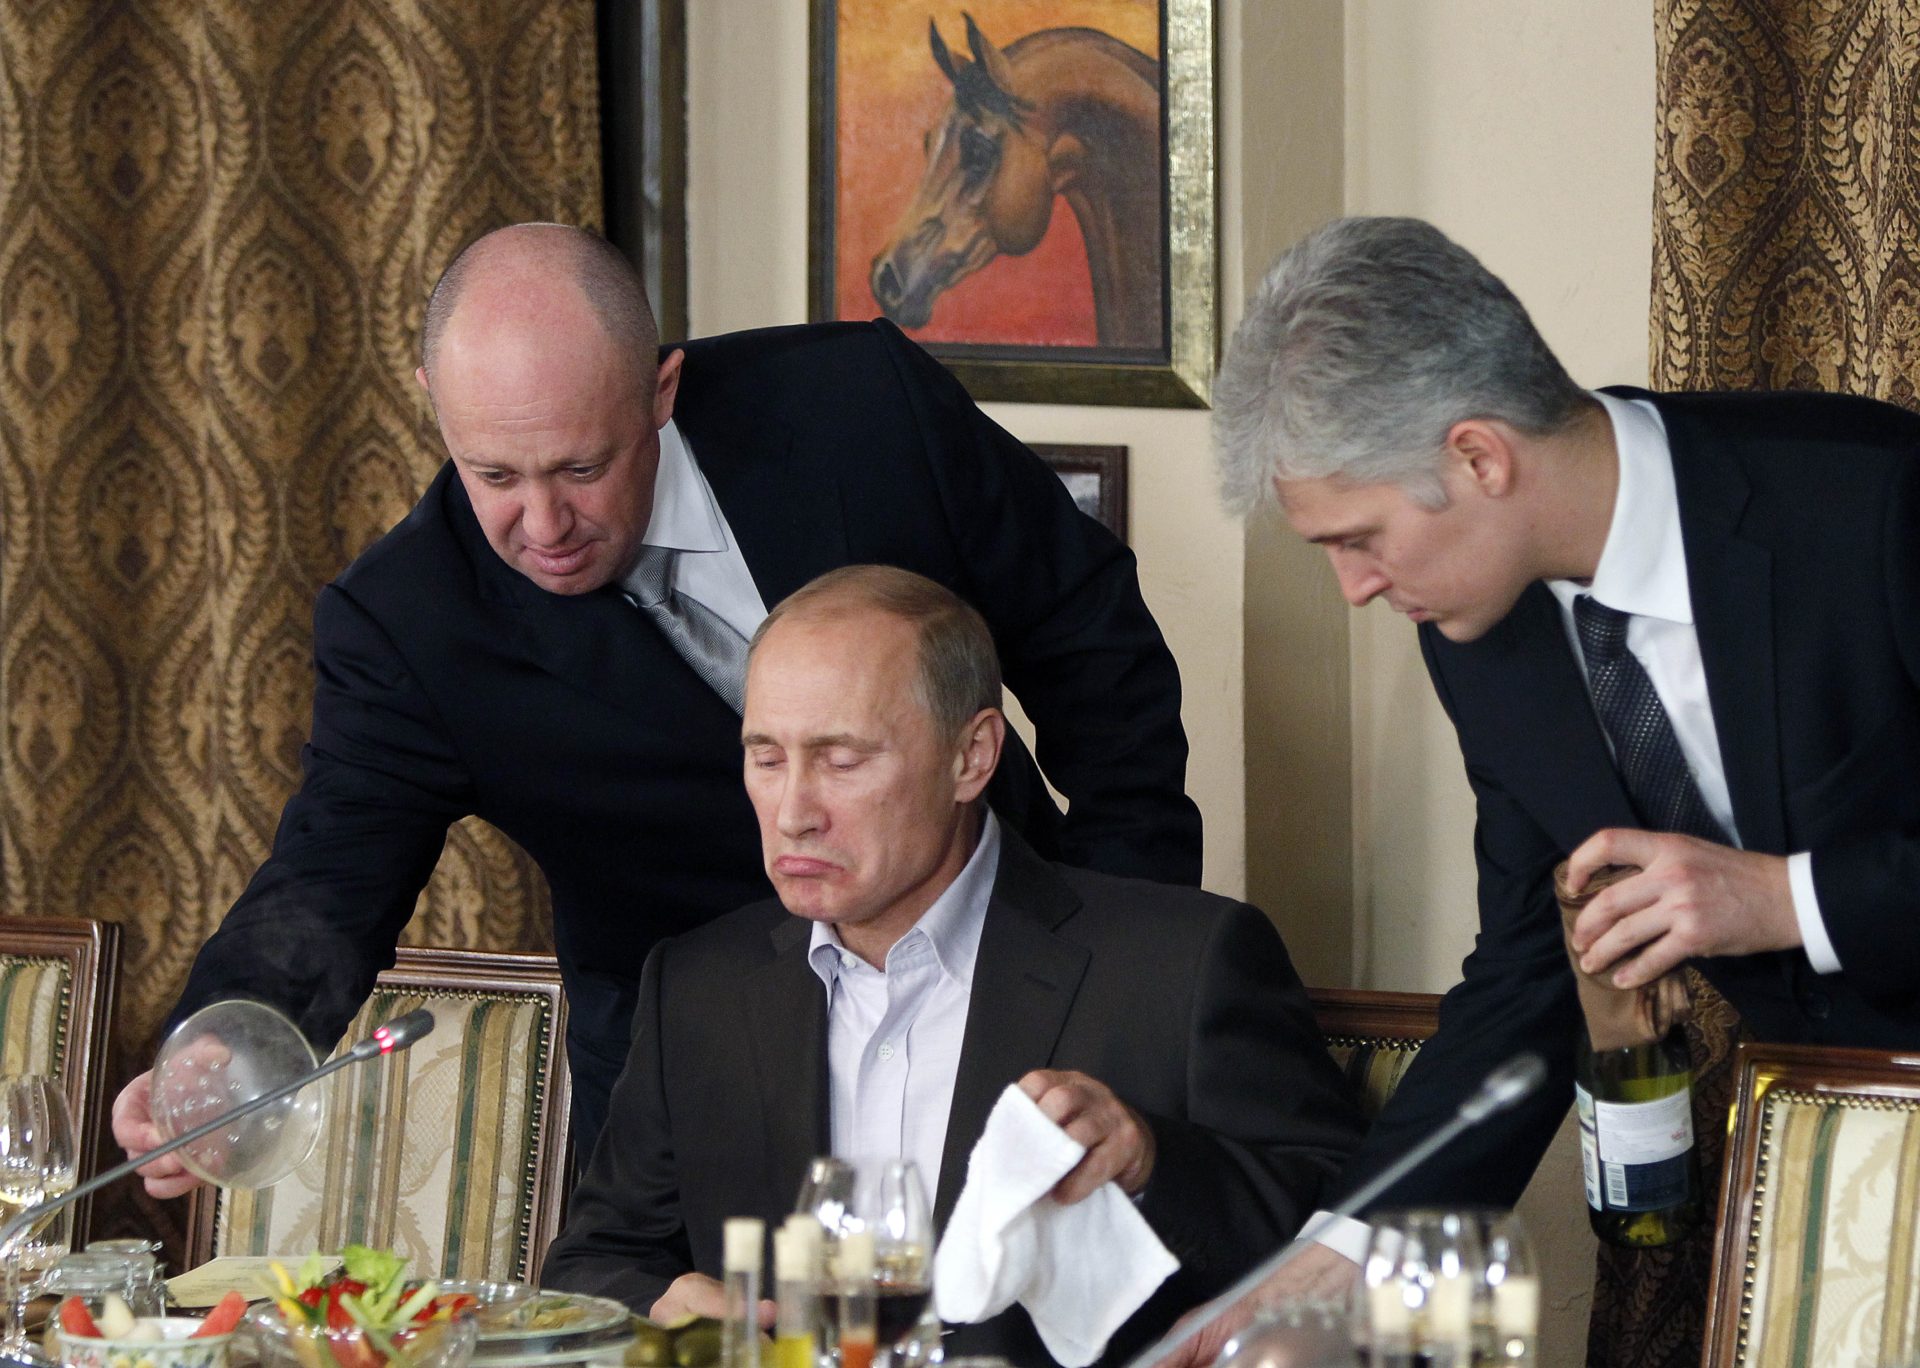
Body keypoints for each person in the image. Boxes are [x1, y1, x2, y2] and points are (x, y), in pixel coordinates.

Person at [110, 224, 1204, 1195]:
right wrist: (221, 1051)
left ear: (662, 389)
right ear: (431, 402)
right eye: (492, 474)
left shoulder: (859, 408)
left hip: (1007, 1001)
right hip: (696, 1099)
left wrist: (1120, 951)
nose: (543, 525)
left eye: (583, 466)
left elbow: (1094, 644)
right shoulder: (409, 623)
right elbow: (323, 887)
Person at [1188, 214, 1920, 1344]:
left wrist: (1782, 901)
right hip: (1821, 1202)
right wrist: (1340, 1249)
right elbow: (1532, 967)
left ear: (1478, 456)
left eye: (1358, 538)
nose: (1354, 589)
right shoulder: (1476, 635)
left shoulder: (1875, 501)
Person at [539, 566, 1363, 1368]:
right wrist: (665, 1301)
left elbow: (1345, 1222)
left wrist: (1151, 1159)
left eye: (841, 759)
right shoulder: (699, 985)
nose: (793, 811)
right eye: (766, 756)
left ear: (972, 756)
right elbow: (594, 1261)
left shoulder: (1181, 962)